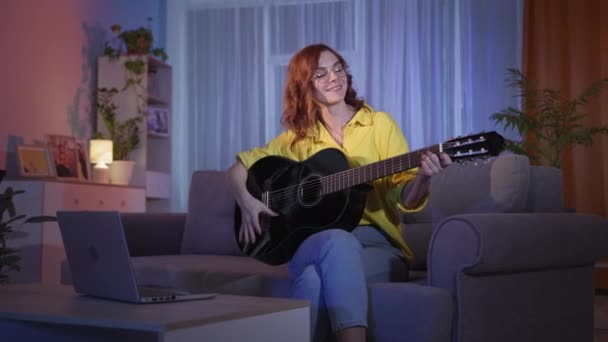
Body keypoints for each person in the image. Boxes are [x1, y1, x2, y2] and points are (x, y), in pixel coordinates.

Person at [226, 44, 452, 342]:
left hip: (379, 246)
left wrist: (423, 177)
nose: (334, 77)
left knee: (313, 278)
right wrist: (247, 202)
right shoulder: (297, 140)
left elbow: (406, 198)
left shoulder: (379, 124)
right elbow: (237, 169)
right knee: (335, 238)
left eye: (338, 68)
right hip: (313, 243)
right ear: (304, 86)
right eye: (320, 74)